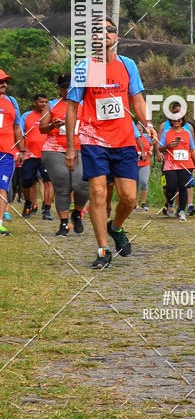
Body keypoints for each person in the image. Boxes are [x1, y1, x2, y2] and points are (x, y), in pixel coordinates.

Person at [65, 17, 158, 269]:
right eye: (98, 30)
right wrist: (71, 146)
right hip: (93, 139)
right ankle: (103, 249)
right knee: (98, 193)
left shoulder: (127, 65)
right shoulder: (86, 67)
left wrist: (147, 123)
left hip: (124, 140)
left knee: (129, 198)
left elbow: (137, 99)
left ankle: (115, 227)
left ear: (116, 37)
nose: (104, 33)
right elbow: (72, 108)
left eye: (110, 30)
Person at [40, 75, 88, 236]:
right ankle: (64, 223)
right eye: (63, 87)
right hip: (54, 149)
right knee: (62, 185)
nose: (66, 90)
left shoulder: (84, 104)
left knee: (81, 184)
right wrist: (52, 125)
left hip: (80, 148)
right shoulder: (52, 105)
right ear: (59, 89)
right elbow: (42, 128)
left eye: (70, 87)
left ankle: (77, 212)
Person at [158, 111, 195, 220]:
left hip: (186, 164)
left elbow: (192, 150)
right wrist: (168, 146)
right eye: (174, 119)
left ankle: (181, 210)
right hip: (170, 164)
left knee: (183, 187)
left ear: (182, 120)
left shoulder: (187, 133)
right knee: (171, 186)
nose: (176, 121)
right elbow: (160, 148)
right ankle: (170, 202)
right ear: (171, 120)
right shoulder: (166, 132)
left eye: (178, 119)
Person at [20, 94, 54, 219]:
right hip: (30, 155)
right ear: (34, 103)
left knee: (49, 181)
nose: (44, 104)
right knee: (27, 181)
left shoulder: (50, 115)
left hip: (47, 153)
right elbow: (20, 133)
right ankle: (28, 202)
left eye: (46, 102)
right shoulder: (26, 116)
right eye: (41, 102)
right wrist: (21, 151)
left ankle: (47, 209)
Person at [0, 69, 24, 234]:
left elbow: (17, 127)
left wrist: (22, 149)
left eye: (5, 82)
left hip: (6, 152)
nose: (5, 85)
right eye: (1, 82)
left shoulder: (11, 101)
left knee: (2, 187)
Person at [135, 127, 151, 211]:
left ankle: (143, 203)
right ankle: (135, 204)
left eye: (140, 129)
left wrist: (150, 151)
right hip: (133, 164)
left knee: (144, 182)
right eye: (137, 129)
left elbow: (152, 144)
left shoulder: (146, 137)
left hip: (145, 163)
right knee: (134, 185)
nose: (139, 130)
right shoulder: (131, 137)